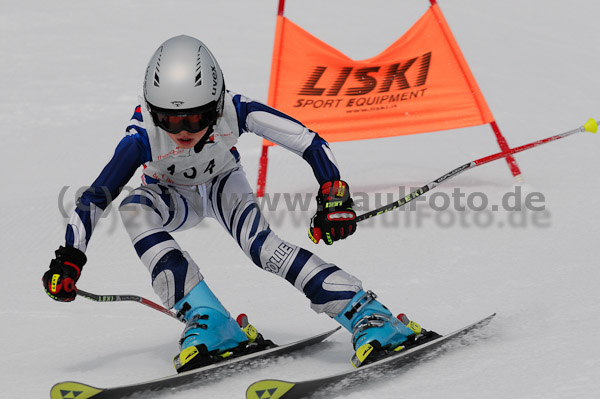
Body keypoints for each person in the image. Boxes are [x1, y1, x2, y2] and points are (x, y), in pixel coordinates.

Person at [42, 35, 434, 372]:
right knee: (133, 208)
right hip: (170, 195)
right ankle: (208, 317)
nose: (182, 132)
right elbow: (95, 197)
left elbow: (308, 141)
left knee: (263, 249)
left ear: (215, 107)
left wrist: (333, 194)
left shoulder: (235, 108)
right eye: (169, 119)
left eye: (195, 119)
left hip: (222, 184)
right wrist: (70, 257)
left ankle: (367, 313)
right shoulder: (142, 136)